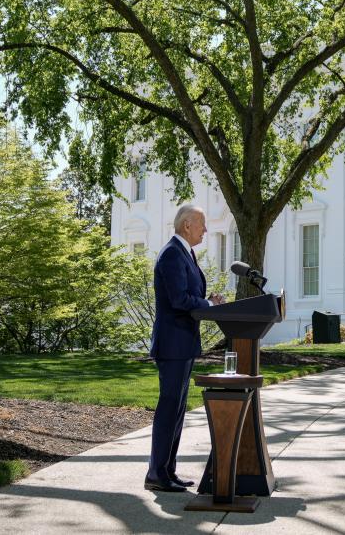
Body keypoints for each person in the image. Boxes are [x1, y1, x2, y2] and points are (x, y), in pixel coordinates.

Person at [145, 204, 225, 492]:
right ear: (187, 225)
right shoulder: (171, 254)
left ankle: (168, 470)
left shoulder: (185, 254)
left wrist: (208, 300)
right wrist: (207, 304)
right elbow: (179, 300)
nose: (205, 230)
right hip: (172, 344)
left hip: (184, 343)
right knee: (169, 408)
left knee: (178, 410)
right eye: (202, 225)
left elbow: (189, 294)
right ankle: (156, 474)